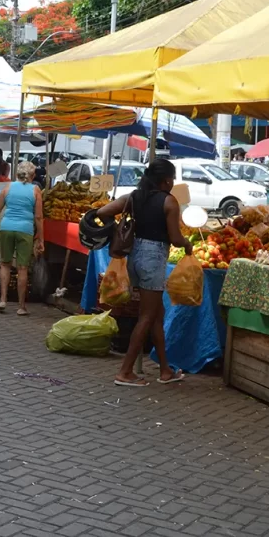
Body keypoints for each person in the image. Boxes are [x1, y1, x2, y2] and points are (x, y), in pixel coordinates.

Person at [95, 158, 193, 387]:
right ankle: (125, 371)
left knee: (155, 313)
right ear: (167, 180)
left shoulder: (134, 196)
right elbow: (176, 239)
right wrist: (188, 244)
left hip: (134, 254)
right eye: (172, 179)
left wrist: (118, 229)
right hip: (154, 257)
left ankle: (166, 370)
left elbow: (103, 211)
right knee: (147, 316)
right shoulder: (169, 202)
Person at [0, 161, 44, 316]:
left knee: (5, 264)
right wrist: (41, 239)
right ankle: (21, 306)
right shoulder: (36, 190)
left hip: (6, 227)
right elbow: (38, 217)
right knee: (22, 268)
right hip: (25, 230)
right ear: (32, 175)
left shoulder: (8, 188)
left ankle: (3, 299)